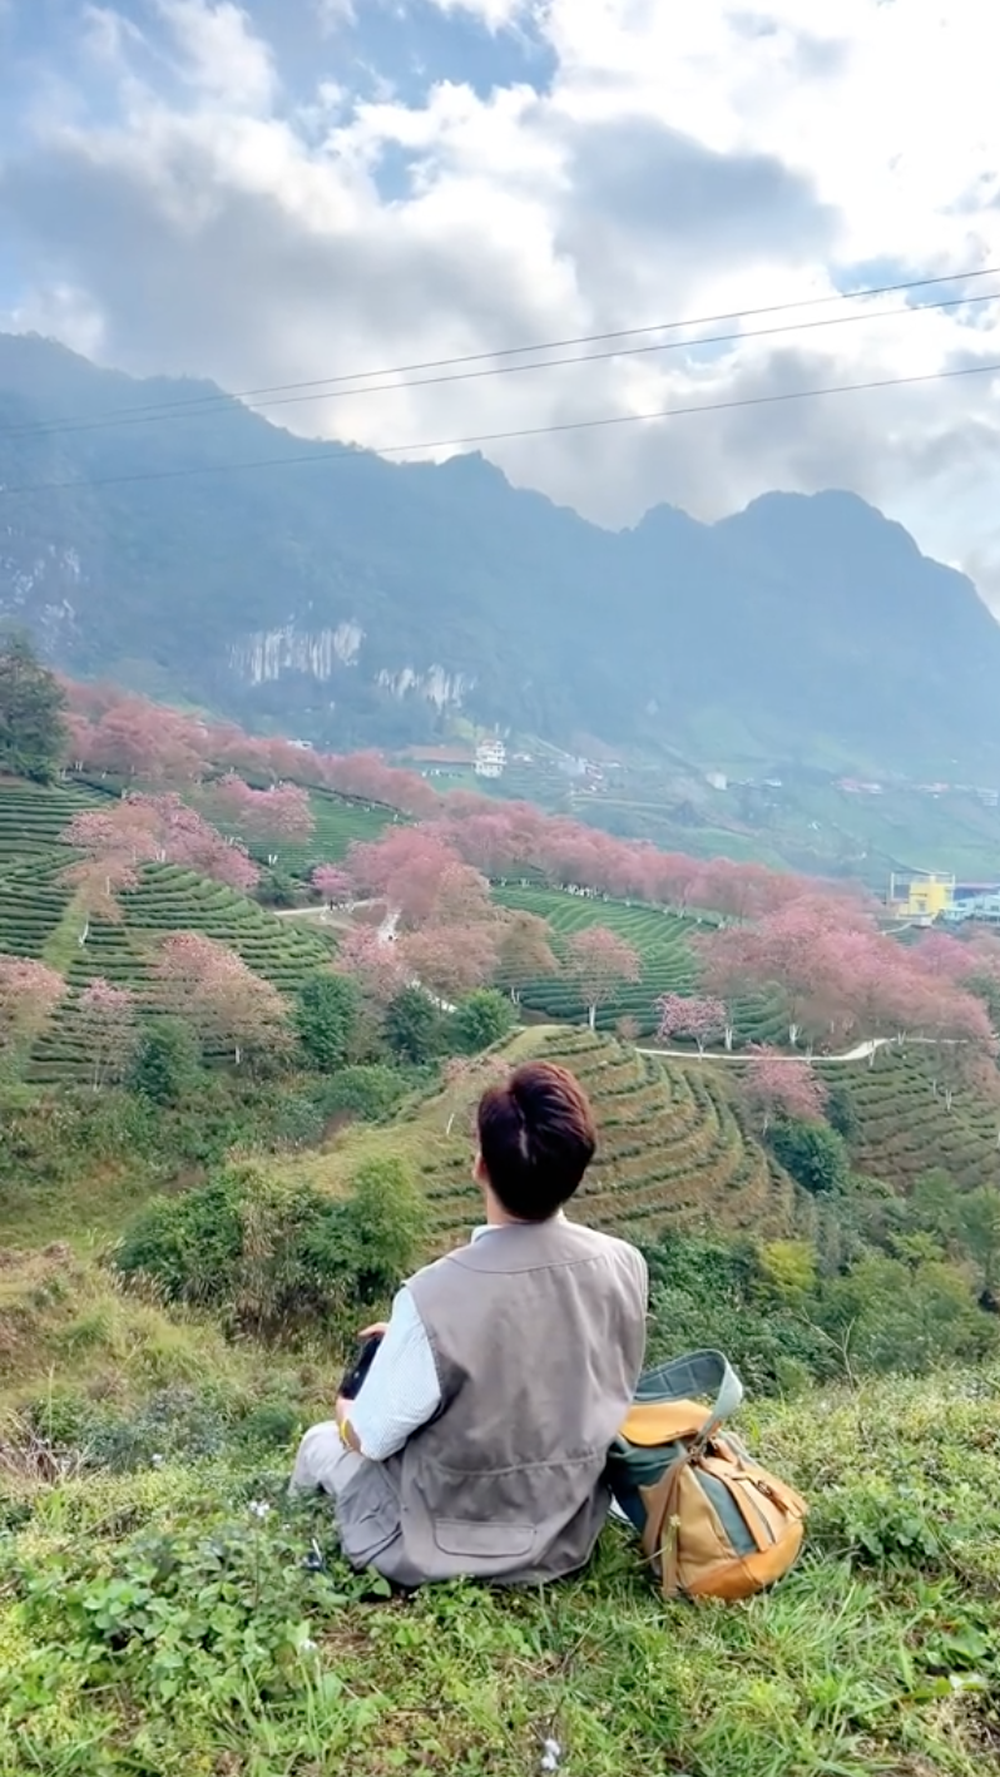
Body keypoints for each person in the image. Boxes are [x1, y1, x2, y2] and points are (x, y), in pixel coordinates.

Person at [290, 1059, 648, 1588]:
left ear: (480, 1166)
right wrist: (421, 1346)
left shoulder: (432, 1293)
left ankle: (286, 1537)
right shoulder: (623, 1264)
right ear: (575, 1169)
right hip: (567, 1530)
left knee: (322, 1441)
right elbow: (545, 1337)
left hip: (444, 1543)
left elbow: (372, 1439)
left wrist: (348, 1410)